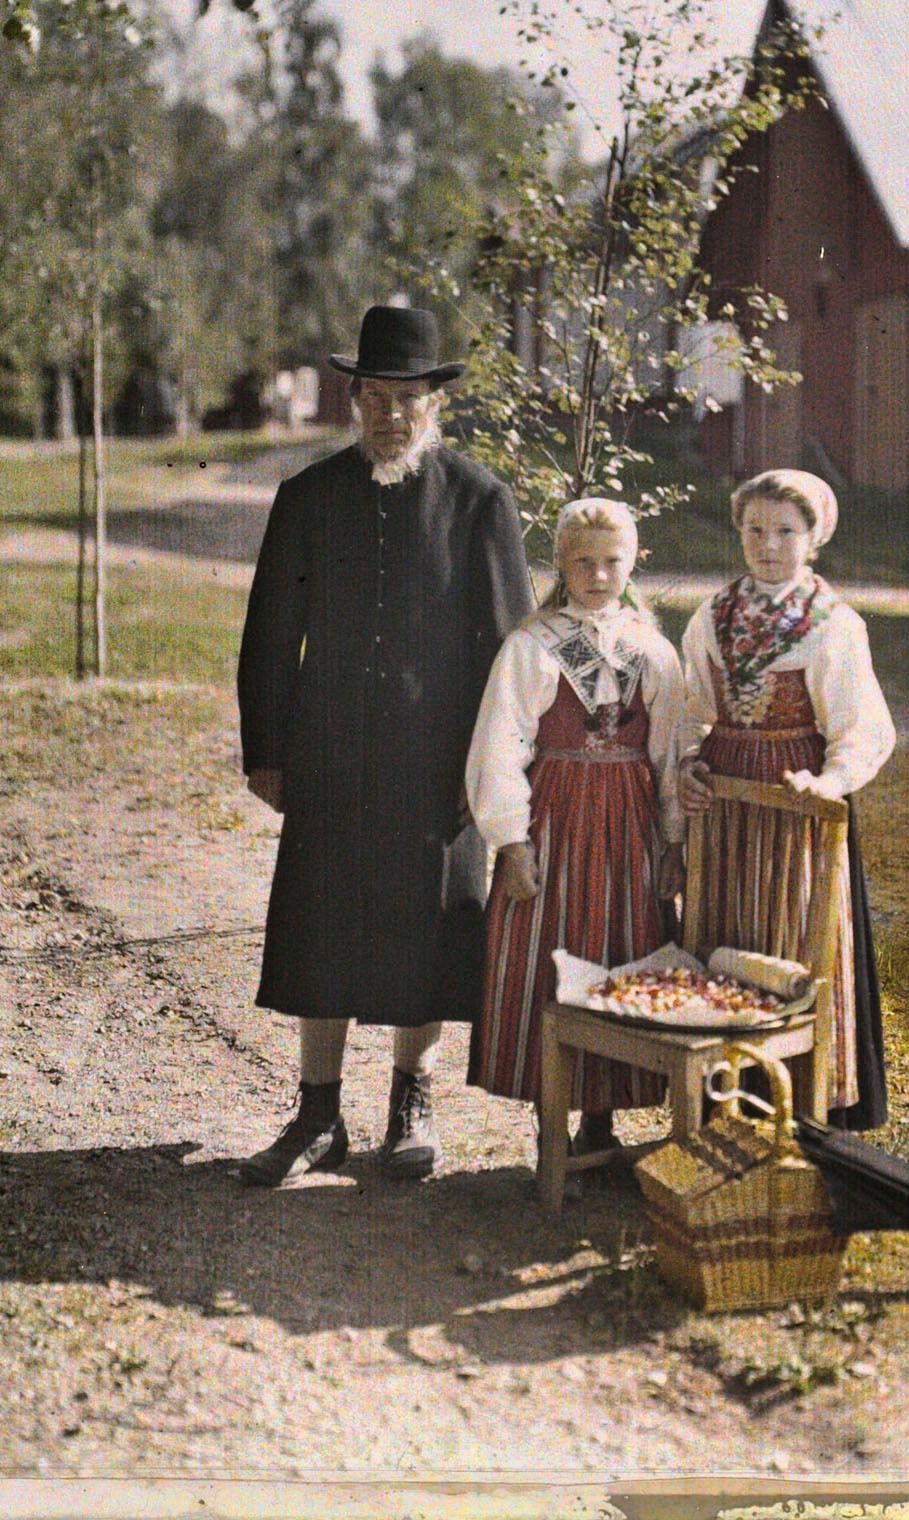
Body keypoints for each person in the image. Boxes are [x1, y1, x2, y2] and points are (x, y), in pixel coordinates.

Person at [236, 304, 533, 1185]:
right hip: (327, 751)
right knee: (319, 923)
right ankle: (318, 1115)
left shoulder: (479, 501)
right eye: (375, 397)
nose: (391, 415)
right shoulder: (307, 497)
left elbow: (509, 654)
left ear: (433, 404)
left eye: (408, 399)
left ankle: (412, 1100)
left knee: (430, 929)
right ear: (353, 397)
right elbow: (267, 634)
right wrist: (268, 750)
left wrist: (487, 775)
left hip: (437, 763)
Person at [465, 498, 685, 1162]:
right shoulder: (532, 646)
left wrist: (673, 839)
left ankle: (604, 1116)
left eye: (611, 561)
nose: (596, 574)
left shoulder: (652, 648)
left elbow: (670, 750)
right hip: (556, 816)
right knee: (553, 955)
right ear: (559, 563)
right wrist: (510, 839)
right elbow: (498, 744)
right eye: (581, 561)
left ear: (632, 563)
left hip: (628, 824)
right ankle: (551, 1114)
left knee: (623, 949)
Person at [678, 469, 896, 1129]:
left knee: (792, 934)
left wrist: (828, 785)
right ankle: (725, 1105)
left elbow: (862, 727)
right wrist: (688, 760)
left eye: (784, 531)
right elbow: (688, 706)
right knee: (725, 932)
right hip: (726, 798)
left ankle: (801, 1106)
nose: (767, 544)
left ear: (814, 538)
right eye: (754, 529)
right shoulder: (713, 614)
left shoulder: (831, 623)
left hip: (796, 797)